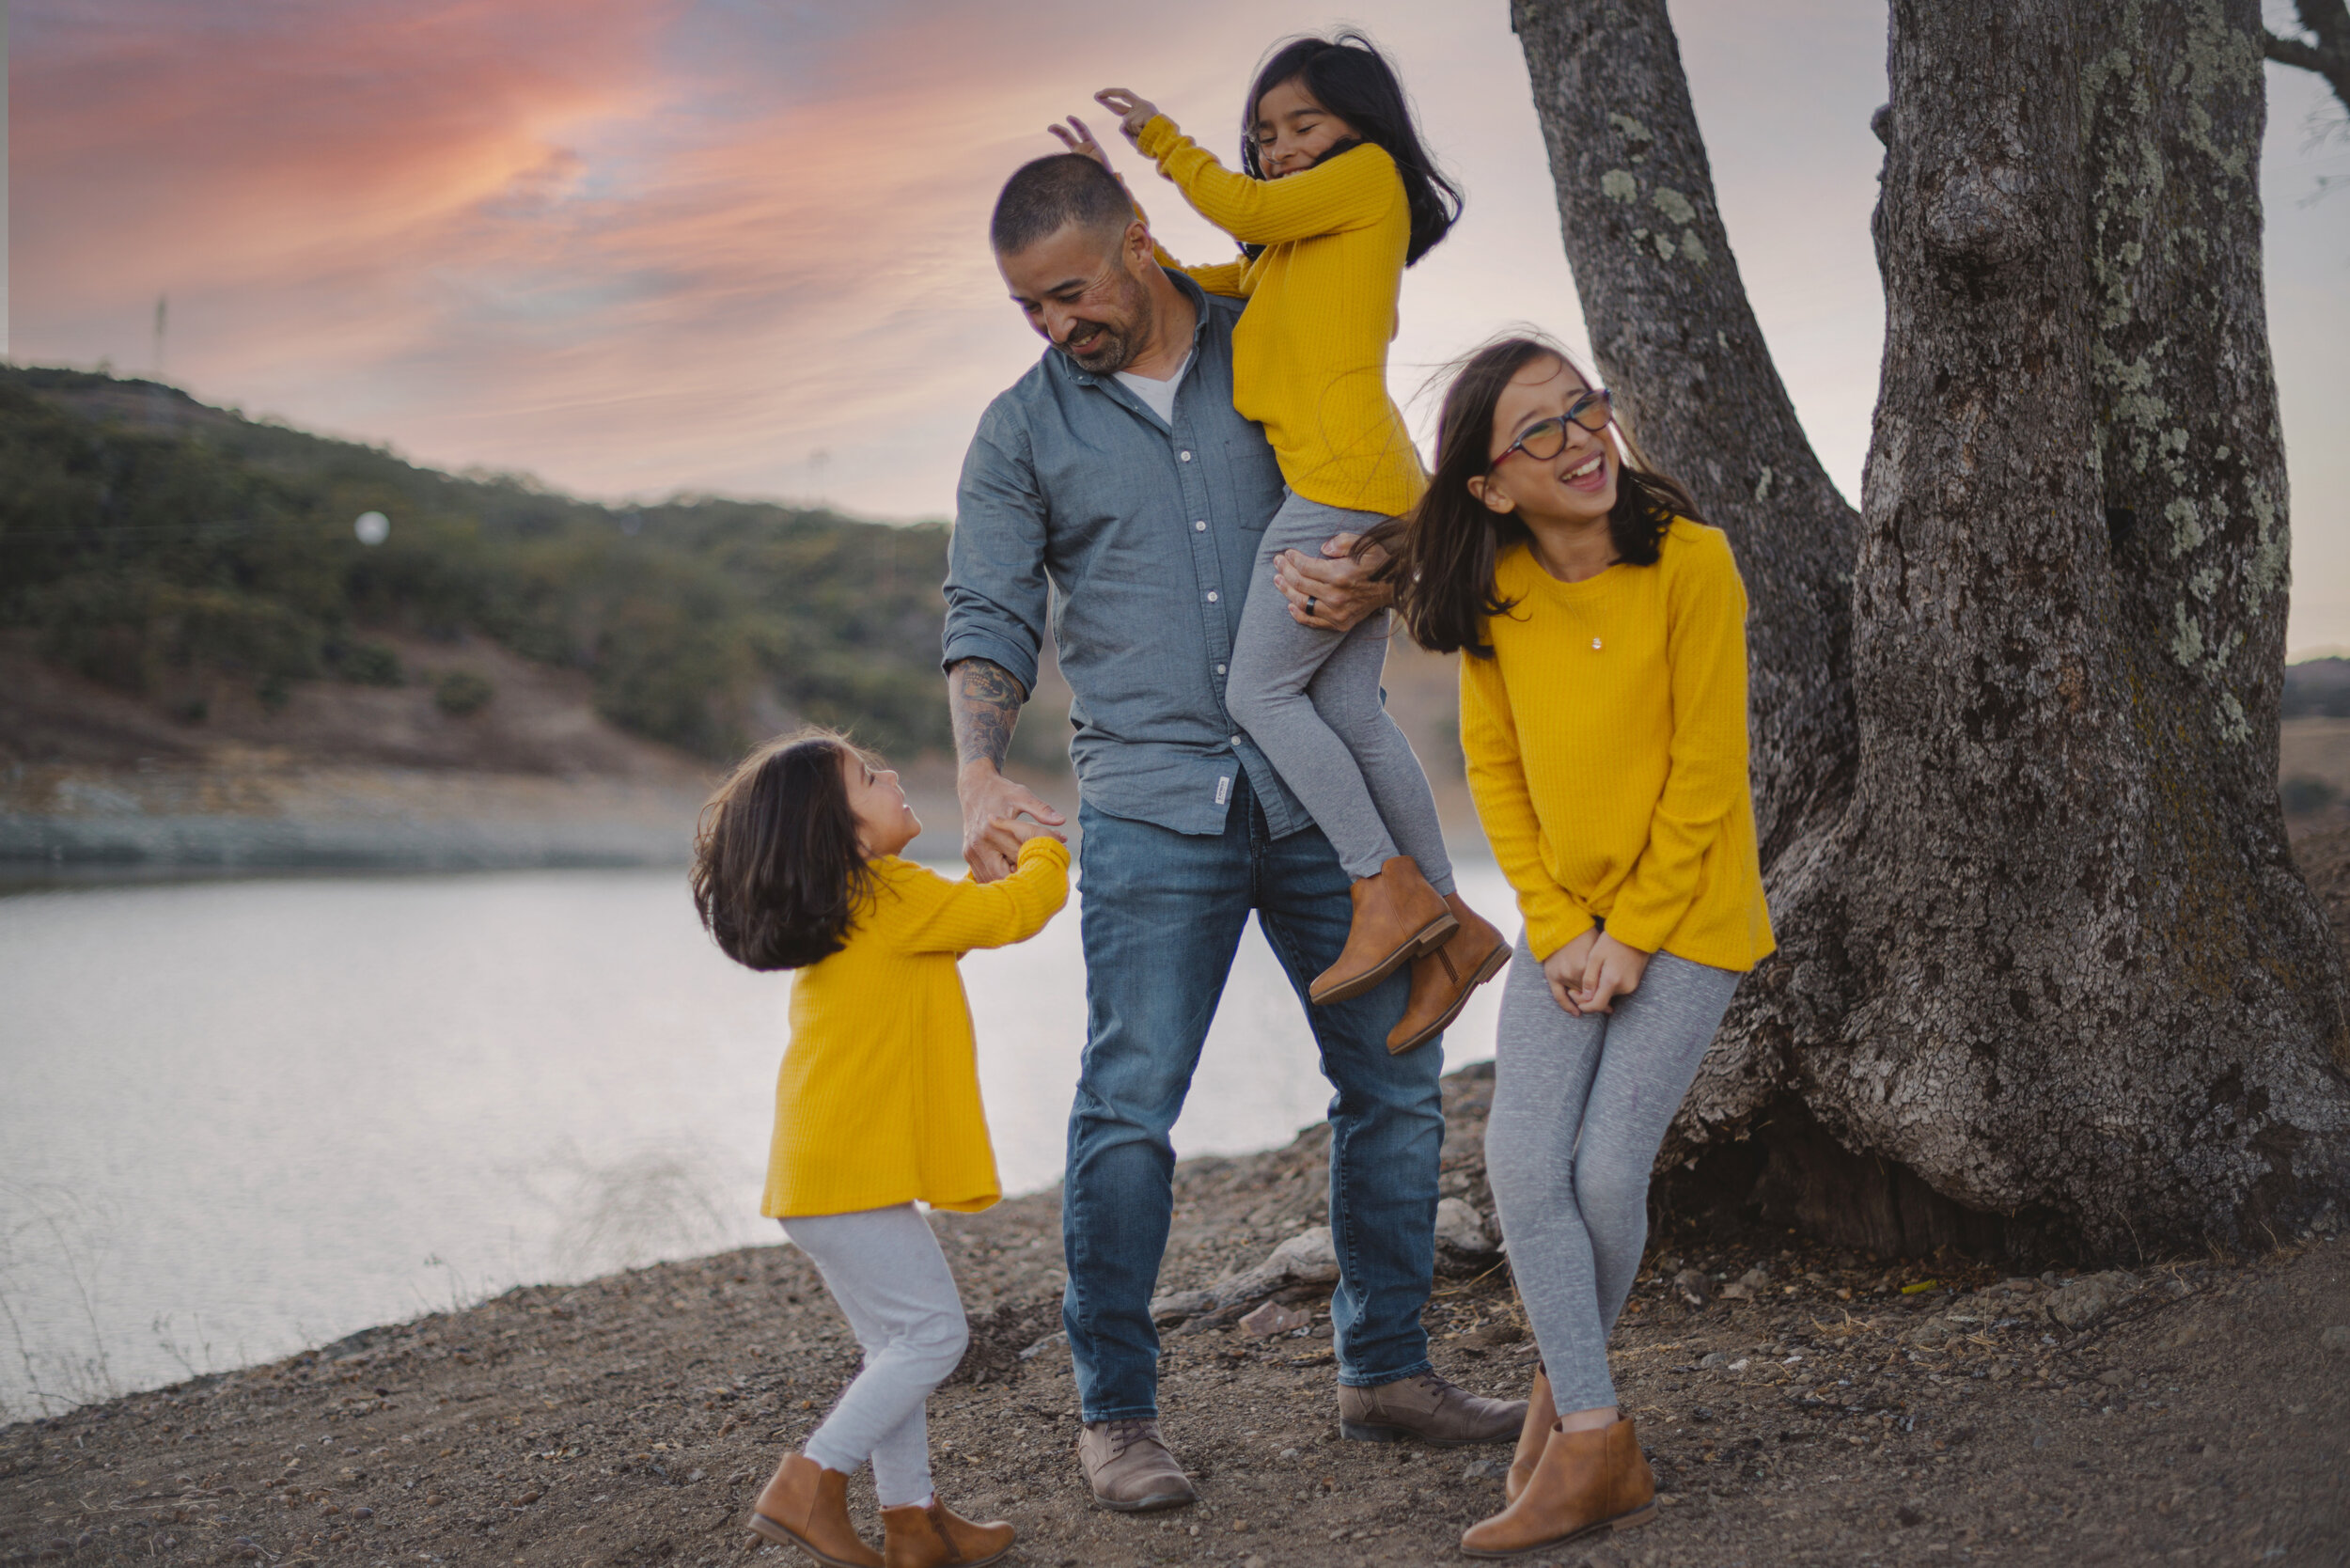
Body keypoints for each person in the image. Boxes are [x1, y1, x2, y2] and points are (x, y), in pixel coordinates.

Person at [945, 149, 1524, 1514]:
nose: (1056, 325)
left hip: (1322, 800)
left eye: (1072, 293)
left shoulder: (1279, 337)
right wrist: (975, 773)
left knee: (1394, 1084)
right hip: (1152, 811)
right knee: (1128, 1108)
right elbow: (988, 609)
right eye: (1029, 307)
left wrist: (1380, 571)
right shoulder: (1020, 430)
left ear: (1140, 241)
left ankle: (1386, 1369)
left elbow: (1392, 490)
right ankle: (1117, 1414)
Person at [1386, 337, 1775, 1558]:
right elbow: (1495, 774)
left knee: (1606, 1178)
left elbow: (1708, 772)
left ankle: (1570, 1431)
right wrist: (1560, 931)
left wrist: (1633, 937)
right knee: (1520, 1163)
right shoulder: (1494, 594)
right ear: (1491, 484)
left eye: (1583, 408)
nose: (1580, 440)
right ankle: (1594, 1439)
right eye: (1539, 431)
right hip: (1567, 930)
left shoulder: (1694, 564)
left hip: (1691, 918)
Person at [1058, 33, 1507, 1049]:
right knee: (1343, 708)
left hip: (1341, 484)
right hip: (1355, 482)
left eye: (1303, 124)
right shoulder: (1294, 252)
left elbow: (1246, 209)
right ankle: (1454, 925)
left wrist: (1161, 140)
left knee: (1256, 696)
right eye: (1264, 135)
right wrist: (1115, 210)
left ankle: (1379, 886)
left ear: (1359, 124)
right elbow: (1198, 282)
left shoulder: (1369, 179)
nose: (1281, 147)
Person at [691, 728, 1069, 1568]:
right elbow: (1012, 914)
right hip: (849, 1183)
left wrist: (986, 878)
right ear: (845, 834)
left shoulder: (867, 905)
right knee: (934, 1338)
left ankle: (913, 1523)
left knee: (896, 1347)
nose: (891, 774)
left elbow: (955, 921)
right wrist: (1043, 848)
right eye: (868, 777)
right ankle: (809, 1484)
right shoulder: (890, 896)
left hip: (821, 1181)